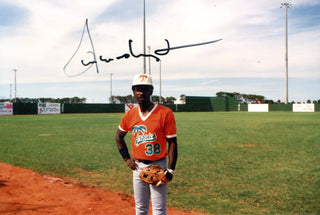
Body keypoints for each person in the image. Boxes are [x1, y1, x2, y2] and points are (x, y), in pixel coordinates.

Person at [115, 74, 178, 215]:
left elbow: (172, 142)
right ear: (133, 91)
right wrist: (126, 158)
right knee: (141, 208)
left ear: (151, 91)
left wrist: (170, 170)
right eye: (137, 89)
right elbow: (119, 136)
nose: (141, 93)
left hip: (159, 165)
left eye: (145, 89)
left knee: (159, 209)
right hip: (138, 167)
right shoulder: (129, 115)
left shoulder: (165, 113)